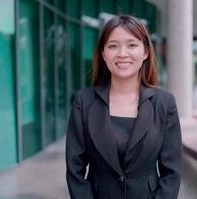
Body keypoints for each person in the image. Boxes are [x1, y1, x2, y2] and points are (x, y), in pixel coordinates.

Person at [66, 15, 182, 199]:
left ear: (145, 52)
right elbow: (75, 169)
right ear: (103, 53)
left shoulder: (164, 103)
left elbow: (172, 172)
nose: (122, 53)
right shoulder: (84, 101)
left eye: (132, 45)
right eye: (113, 46)